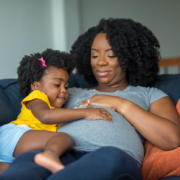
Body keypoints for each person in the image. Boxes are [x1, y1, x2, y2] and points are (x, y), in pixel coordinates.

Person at [1, 18, 180, 180]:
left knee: (110, 157)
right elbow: (39, 104)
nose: (100, 62)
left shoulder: (149, 94)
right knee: (27, 161)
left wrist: (120, 104)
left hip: (112, 156)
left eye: (110, 55)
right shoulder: (67, 92)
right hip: (60, 152)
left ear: (129, 57)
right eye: (94, 55)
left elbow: (172, 138)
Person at [0, 49, 112, 174]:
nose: (64, 90)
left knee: (17, 173)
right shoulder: (37, 97)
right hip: (15, 135)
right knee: (64, 138)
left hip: (11, 154)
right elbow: (45, 116)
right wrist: (85, 113)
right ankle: (50, 154)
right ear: (36, 86)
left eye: (66, 86)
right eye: (57, 85)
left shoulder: (55, 109)